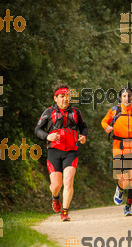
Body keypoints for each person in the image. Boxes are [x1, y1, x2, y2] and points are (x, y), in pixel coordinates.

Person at [35, 84, 88, 221]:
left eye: (67, 96)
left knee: (69, 180)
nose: (65, 99)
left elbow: (84, 127)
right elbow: (37, 130)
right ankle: (55, 196)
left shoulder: (76, 112)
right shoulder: (48, 112)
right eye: (62, 96)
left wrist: (83, 137)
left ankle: (65, 212)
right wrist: (47, 136)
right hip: (54, 152)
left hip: (71, 151)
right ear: (56, 98)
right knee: (56, 185)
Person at [101, 87, 132, 216]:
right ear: (120, 98)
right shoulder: (114, 110)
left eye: (129, 96)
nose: (126, 98)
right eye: (124, 96)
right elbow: (104, 121)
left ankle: (128, 206)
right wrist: (107, 128)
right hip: (119, 147)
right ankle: (120, 188)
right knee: (123, 179)